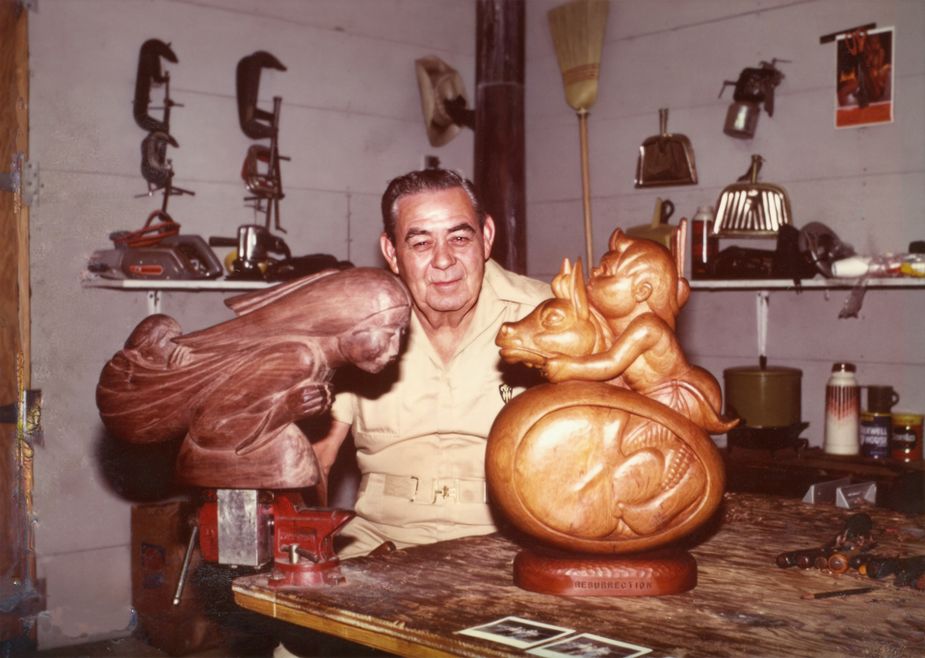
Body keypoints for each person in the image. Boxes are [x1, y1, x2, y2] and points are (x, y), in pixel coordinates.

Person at [311, 168, 551, 558]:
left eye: (459, 238)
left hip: (512, 547)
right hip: (376, 549)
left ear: (486, 237)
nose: (444, 260)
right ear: (392, 252)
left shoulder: (547, 319)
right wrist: (309, 555)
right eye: (421, 243)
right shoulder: (356, 329)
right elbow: (317, 459)